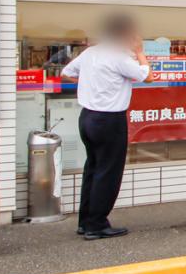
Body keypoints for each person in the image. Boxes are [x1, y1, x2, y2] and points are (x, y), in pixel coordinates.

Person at [61, 13, 150, 240]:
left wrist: (92, 84)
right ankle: (97, 225)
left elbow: (66, 73)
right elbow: (147, 76)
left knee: (93, 168)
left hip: (87, 117)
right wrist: (139, 51)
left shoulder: (91, 53)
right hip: (110, 120)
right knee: (108, 172)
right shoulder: (118, 56)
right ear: (125, 34)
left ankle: (86, 221)